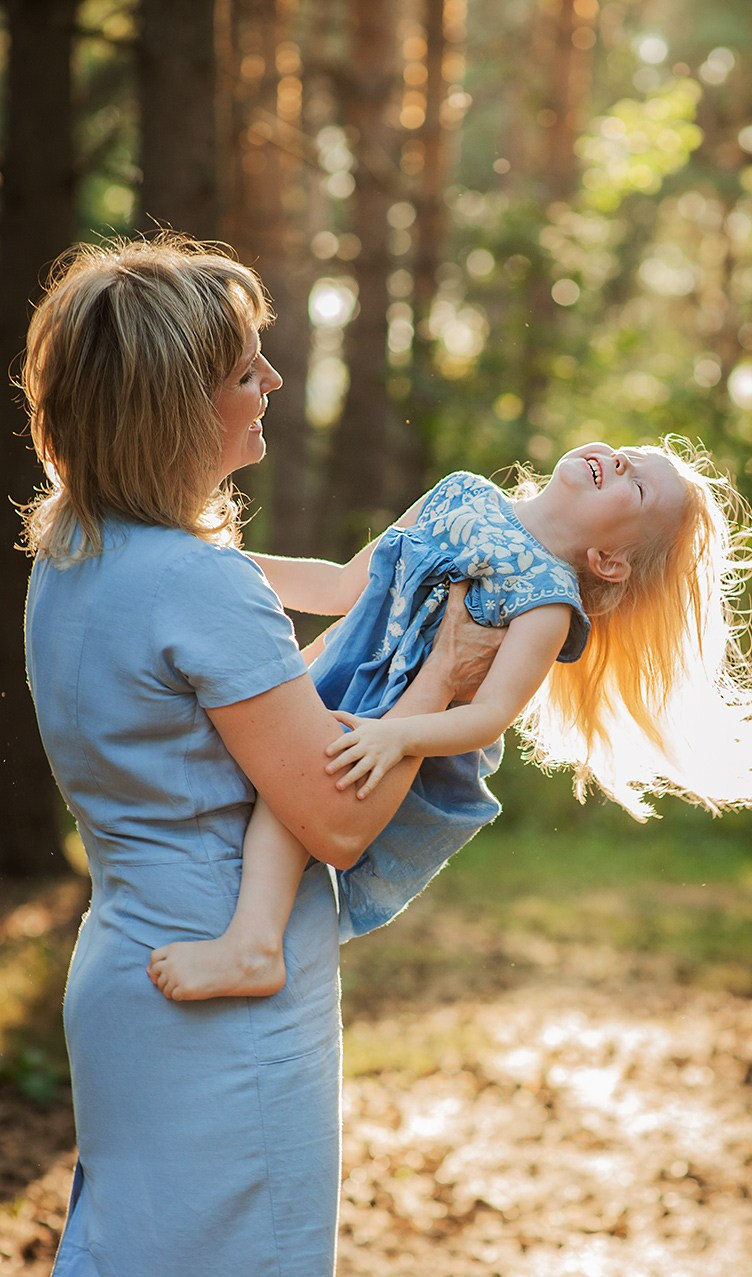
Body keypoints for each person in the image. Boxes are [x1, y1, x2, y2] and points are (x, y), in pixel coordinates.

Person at [20, 232, 503, 1277]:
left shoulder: (74, 559)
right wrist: (445, 674)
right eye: (246, 369)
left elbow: (283, 686)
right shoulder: (205, 584)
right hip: (227, 994)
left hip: (129, 970)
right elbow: (333, 816)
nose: (272, 380)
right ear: (177, 406)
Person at [147, 440, 752, 1003]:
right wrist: (226, 564)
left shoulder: (548, 601)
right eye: (627, 452)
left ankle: (254, 946)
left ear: (610, 561)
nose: (619, 461)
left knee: (286, 809)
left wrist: (395, 735)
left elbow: (487, 717)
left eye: (637, 484)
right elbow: (345, 586)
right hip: (327, 680)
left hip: (393, 728)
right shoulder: (461, 492)